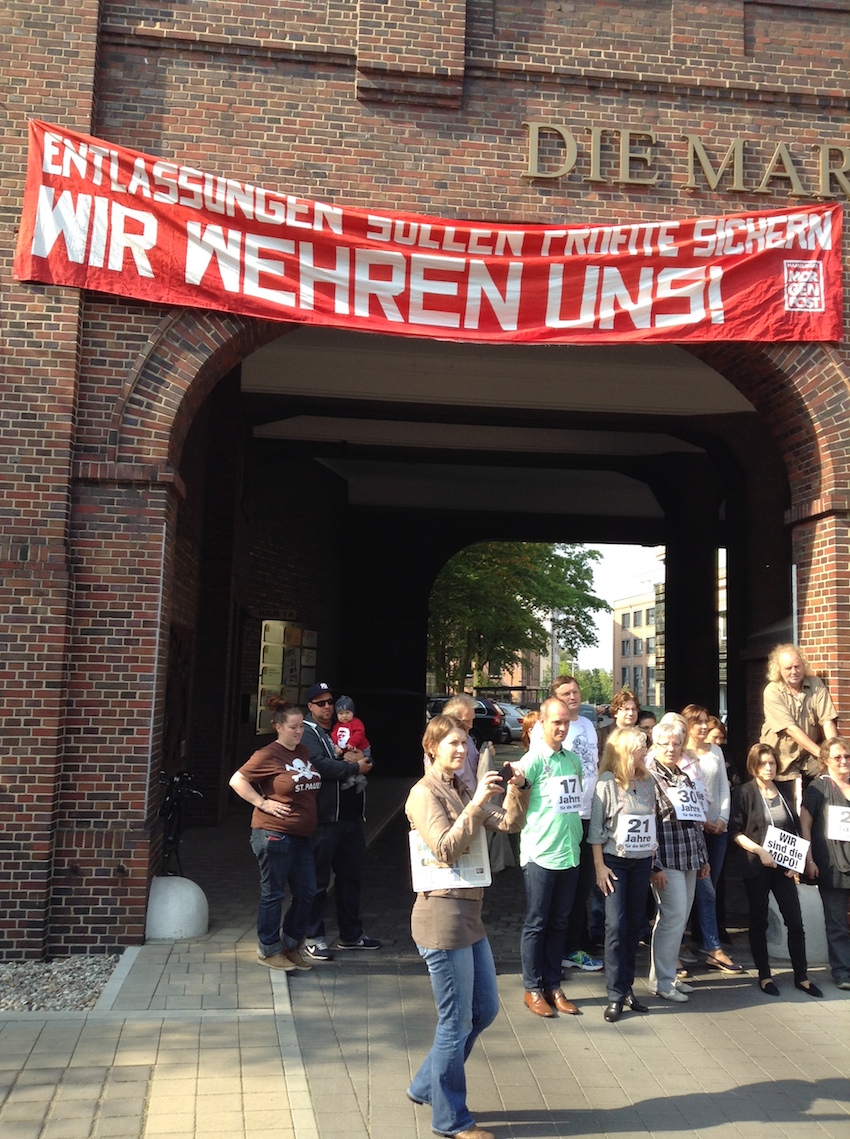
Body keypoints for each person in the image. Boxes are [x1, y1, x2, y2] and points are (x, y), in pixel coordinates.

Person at [405, 714, 530, 1139]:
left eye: (464, 743)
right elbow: (443, 849)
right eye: (452, 743)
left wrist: (517, 789)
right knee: (455, 1020)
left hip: (469, 916)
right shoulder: (424, 794)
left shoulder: (462, 788)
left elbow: (510, 824)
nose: (461, 750)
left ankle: (426, 1085)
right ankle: (451, 1119)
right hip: (441, 917)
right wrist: (476, 805)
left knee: (485, 1010)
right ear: (432, 747)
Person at [228, 698, 321, 972]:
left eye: (301, 727)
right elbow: (237, 780)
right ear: (278, 727)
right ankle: (268, 949)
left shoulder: (303, 750)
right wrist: (263, 802)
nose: (298, 732)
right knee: (274, 893)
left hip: (301, 836)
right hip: (274, 835)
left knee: (307, 891)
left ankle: (291, 945)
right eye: (293, 727)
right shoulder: (267, 754)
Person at [730, 742, 823, 998]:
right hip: (758, 866)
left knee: (795, 921)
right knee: (758, 921)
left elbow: (793, 828)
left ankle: (801, 976)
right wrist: (760, 851)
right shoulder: (744, 792)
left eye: (772, 763)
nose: (769, 767)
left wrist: (796, 863)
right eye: (763, 763)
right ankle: (764, 975)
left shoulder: (783, 790)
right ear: (754, 766)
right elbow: (735, 831)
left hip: (784, 868)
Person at [301, 681, 379, 962]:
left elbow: (363, 751)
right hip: (324, 820)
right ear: (310, 707)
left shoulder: (340, 730)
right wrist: (355, 767)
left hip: (351, 817)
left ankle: (351, 935)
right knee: (317, 881)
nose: (327, 707)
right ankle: (314, 937)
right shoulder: (308, 733)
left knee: (351, 879)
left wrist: (362, 761)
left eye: (330, 702)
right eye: (320, 703)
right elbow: (320, 765)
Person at [518, 697, 584, 1017]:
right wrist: (514, 779)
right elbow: (518, 783)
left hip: (569, 853)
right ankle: (532, 988)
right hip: (541, 854)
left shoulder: (573, 760)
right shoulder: (533, 759)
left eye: (565, 722)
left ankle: (553, 984)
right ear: (542, 722)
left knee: (559, 923)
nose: (561, 727)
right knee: (537, 923)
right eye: (555, 721)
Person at [589, 727, 655, 1022]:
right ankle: (614, 994)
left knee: (633, 927)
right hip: (615, 863)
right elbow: (595, 831)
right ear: (627, 751)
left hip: (641, 862)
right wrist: (600, 866)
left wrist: (654, 856)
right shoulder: (606, 783)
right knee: (615, 926)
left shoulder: (647, 782)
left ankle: (628, 988)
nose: (645, 751)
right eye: (641, 747)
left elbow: (652, 821)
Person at [646, 718, 710, 1002]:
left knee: (680, 919)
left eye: (676, 744)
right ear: (655, 745)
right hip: (667, 857)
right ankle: (661, 982)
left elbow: (695, 819)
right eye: (665, 744)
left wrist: (703, 857)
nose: (671, 749)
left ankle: (667, 974)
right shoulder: (649, 777)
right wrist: (654, 864)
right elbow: (647, 823)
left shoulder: (683, 776)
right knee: (671, 918)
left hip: (689, 855)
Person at [548, 675, 603, 972]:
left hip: (588, 814)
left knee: (583, 884)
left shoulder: (588, 725)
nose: (573, 696)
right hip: (563, 817)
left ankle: (573, 947)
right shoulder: (550, 729)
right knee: (562, 886)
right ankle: (560, 949)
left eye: (575, 691)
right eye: (565, 693)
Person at [680, 704, 741, 974]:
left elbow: (723, 788)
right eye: (698, 722)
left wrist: (723, 820)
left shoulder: (715, 750)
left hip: (718, 830)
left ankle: (698, 940)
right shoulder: (681, 753)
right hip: (694, 830)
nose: (704, 727)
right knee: (702, 889)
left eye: (706, 721)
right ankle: (712, 947)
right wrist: (702, 821)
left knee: (709, 889)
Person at [759, 643, 838, 809]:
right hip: (781, 754)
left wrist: (834, 754)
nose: (793, 672)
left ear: (803, 665)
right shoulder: (772, 690)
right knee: (786, 805)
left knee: (833, 777)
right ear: (778, 670)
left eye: (797, 666)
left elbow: (828, 720)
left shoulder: (816, 684)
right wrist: (822, 754)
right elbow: (791, 729)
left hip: (808, 754)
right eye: (788, 668)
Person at [801, 736, 850, 991]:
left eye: (847, 756)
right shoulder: (818, 788)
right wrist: (809, 859)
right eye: (838, 757)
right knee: (837, 922)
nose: (843, 761)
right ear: (825, 760)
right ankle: (842, 972)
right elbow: (805, 824)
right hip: (831, 864)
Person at [331, 695, 370, 792]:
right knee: (348, 762)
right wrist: (336, 745)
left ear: (353, 713)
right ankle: (352, 780)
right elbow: (334, 735)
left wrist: (352, 742)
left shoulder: (356, 723)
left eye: (347, 713)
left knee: (359, 763)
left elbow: (359, 733)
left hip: (362, 748)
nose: (344, 716)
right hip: (348, 751)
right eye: (341, 713)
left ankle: (359, 779)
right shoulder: (337, 726)